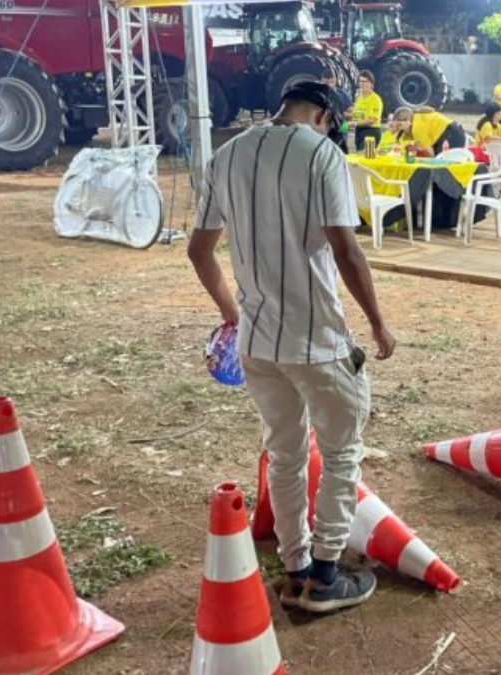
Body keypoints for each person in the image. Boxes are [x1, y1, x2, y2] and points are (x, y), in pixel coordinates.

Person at [187, 81, 396, 614]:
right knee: (343, 451)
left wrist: (232, 313)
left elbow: (199, 249)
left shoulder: (227, 153)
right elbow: (346, 250)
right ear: (325, 115)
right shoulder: (321, 153)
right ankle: (326, 576)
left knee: (284, 454)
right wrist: (377, 323)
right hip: (317, 338)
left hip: (259, 341)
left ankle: (296, 564)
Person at [392, 106, 466, 156]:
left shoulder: (417, 127)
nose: (400, 129)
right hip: (453, 132)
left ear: (408, 121)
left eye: (400, 126)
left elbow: (430, 154)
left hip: (452, 135)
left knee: (440, 163)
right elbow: (404, 143)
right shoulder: (415, 119)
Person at [351, 70, 383, 153]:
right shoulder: (359, 98)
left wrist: (354, 123)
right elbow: (357, 115)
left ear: (371, 84)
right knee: (359, 156)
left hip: (371, 132)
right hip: (359, 132)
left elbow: (372, 120)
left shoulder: (375, 99)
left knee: (366, 159)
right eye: (361, 81)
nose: (362, 84)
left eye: (365, 81)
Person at [320, 69, 353, 152]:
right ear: (321, 81)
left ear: (335, 81)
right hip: (324, 132)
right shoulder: (319, 95)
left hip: (342, 130)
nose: (329, 85)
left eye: (331, 82)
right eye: (326, 83)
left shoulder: (342, 95)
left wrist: (338, 114)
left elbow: (353, 113)